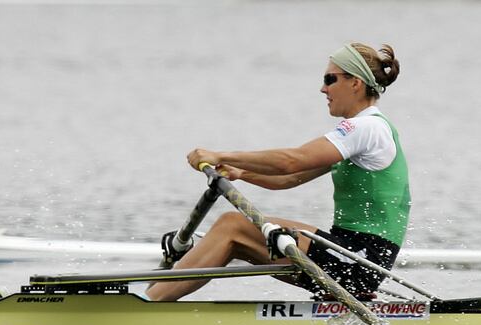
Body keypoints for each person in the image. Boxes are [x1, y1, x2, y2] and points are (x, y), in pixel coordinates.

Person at [147, 42, 407, 302]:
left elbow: (292, 161)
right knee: (235, 236)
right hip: (349, 253)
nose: (323, 88)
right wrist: (241, 172)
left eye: (330, 79)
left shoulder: (366, 128)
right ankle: (153, 298)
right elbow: (289, 178)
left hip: (360, 259)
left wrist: (221, 155)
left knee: (231, 225)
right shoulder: (363, 131)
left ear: (355, 83)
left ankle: (148, 304)